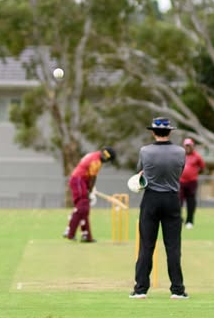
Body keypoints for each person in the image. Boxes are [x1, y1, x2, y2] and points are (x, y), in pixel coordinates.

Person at [130, 117, 188, 299]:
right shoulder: (180, 151)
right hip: (172, 199)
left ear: (153, 132)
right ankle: (177, 290)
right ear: (169, 132)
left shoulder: (145, 151)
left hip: (151, 199)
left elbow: (141, 172)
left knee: (146, 246)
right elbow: (180, 171)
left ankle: (140, 289)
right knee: (173, 247)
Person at [63, 146, 116, 243]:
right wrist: (90, 190)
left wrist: (88, 188)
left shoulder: (93, 154)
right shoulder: (96, 161)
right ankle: (70, 231)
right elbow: (92, 178)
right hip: (78, 180)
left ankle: (86, 235)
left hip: (81, 181)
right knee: (82, 205)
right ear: (106, 156)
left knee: (84, 208)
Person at [179, 138, 205, 229]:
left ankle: (189, 221)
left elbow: (202, 167)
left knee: (191, 202)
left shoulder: (197, 156)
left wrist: (194, 173)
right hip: (181, 182)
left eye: (189, 145)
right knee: (178, 202)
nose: (188, 147)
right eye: (186, 146)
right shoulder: (180, 155)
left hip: (192, 182)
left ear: (192, 146)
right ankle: (179, 219)